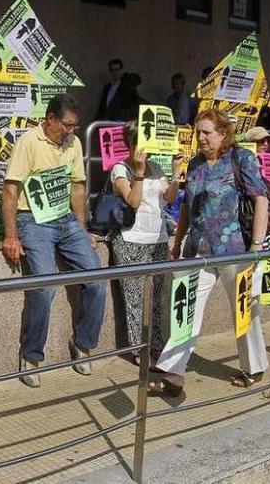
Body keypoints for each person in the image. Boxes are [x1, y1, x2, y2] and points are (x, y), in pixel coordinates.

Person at [150, 109, 270, 396]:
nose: (200, 138)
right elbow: (188, 208)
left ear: (223, 134)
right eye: (198, 132)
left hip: (235, 250)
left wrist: (256, 246)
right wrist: (178, 243)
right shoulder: (194, 165)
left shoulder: (241, 159)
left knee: (244, 311)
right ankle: (174, 373)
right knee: (185, 309)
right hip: (198, 250)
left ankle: (253, 367)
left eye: (206, 132)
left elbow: (261, 199)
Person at [2, 93, 106, 388]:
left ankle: (83, 344)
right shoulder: (28, 143)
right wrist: (10, 235)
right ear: (50, 119)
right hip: (33, 221)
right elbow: (10, 191)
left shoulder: (73, 143)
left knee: (98, 280)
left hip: (66, 220)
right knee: (45, 288)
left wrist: (82, 228)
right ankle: (31, 355)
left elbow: (77, 186)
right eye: (67, 125)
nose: (71, 131)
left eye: (75, 126)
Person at [109, 120, 179, 364]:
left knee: (158, 297)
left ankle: (157, 345)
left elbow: (169, 197)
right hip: (131, 239)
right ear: (130, 144)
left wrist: (176, 172)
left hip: (158, 238)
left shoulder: (157, 167)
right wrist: (138, 172)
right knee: (135, 299)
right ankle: (139, 349)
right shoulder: (120, 169)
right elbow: (133, 201)